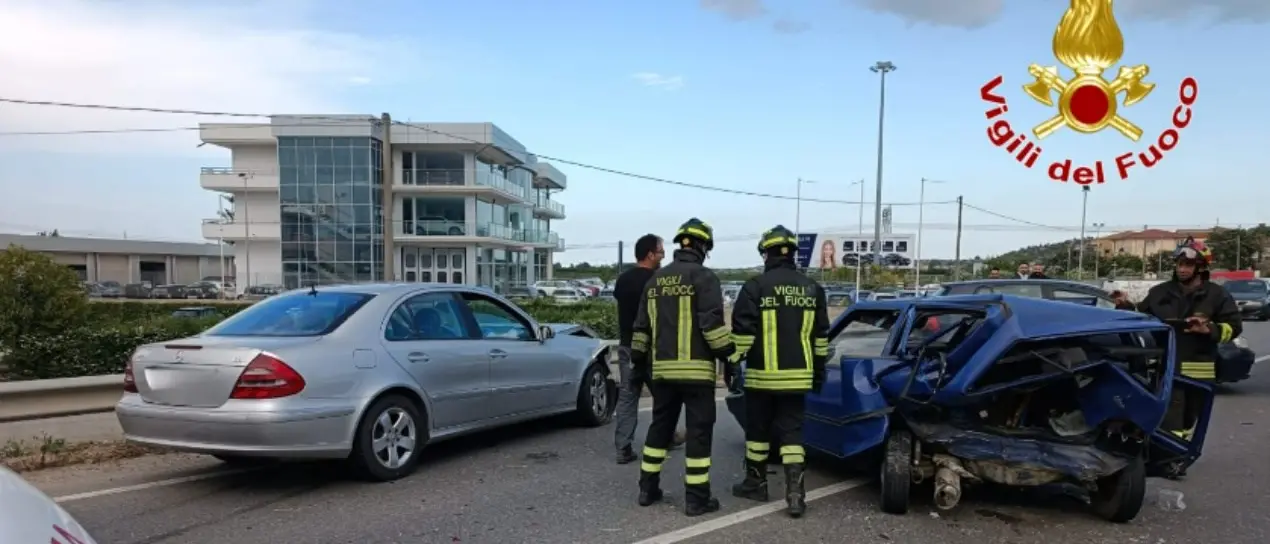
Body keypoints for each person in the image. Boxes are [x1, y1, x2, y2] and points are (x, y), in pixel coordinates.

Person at [630, 218, 735, 517]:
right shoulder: (705, 277)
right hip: (697, 374)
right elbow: (712, 327)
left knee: (659, 429)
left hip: (662, 372)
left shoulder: (655, 280)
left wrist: (638, 361)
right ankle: (696, 499)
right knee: (698, 434)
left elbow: (641, 330)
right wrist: (729, 355)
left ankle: (647, 489)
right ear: (703, 247)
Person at [727, 225, 830, 518]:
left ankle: (755, 484)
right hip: (798, 378)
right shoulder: (813, 289)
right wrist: (818, 371)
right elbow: (821, 338)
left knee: (758, 432)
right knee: (792, 435)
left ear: (766, 253)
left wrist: (731, 363)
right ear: (792, 254)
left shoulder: (755, 286)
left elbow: (742, 335)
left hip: (761, 378)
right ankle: (796, 495)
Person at [1127, 237, 1240, 444]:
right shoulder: (1159, 292)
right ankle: (1167, 454)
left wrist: (1209, 329)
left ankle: (1178, 450)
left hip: (1198, 370)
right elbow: (1138, 317)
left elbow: (1234, 327)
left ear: (1201, 268)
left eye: (1188, 265)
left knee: (1188, 421)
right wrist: (1123, 305)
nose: (1182, 269)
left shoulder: (1217, 295)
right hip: (1166, 366)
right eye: (1179, 264)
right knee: (1169, 420)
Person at [613, 234, 685, 464]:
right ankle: (666, 437)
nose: (663, 256)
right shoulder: (659, 280)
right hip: (655, 348)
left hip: (628, 347)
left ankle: (623, 448)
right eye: (661, 252)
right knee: (665, 397)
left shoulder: (623, 280)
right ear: (650, 254)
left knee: (628, 397)